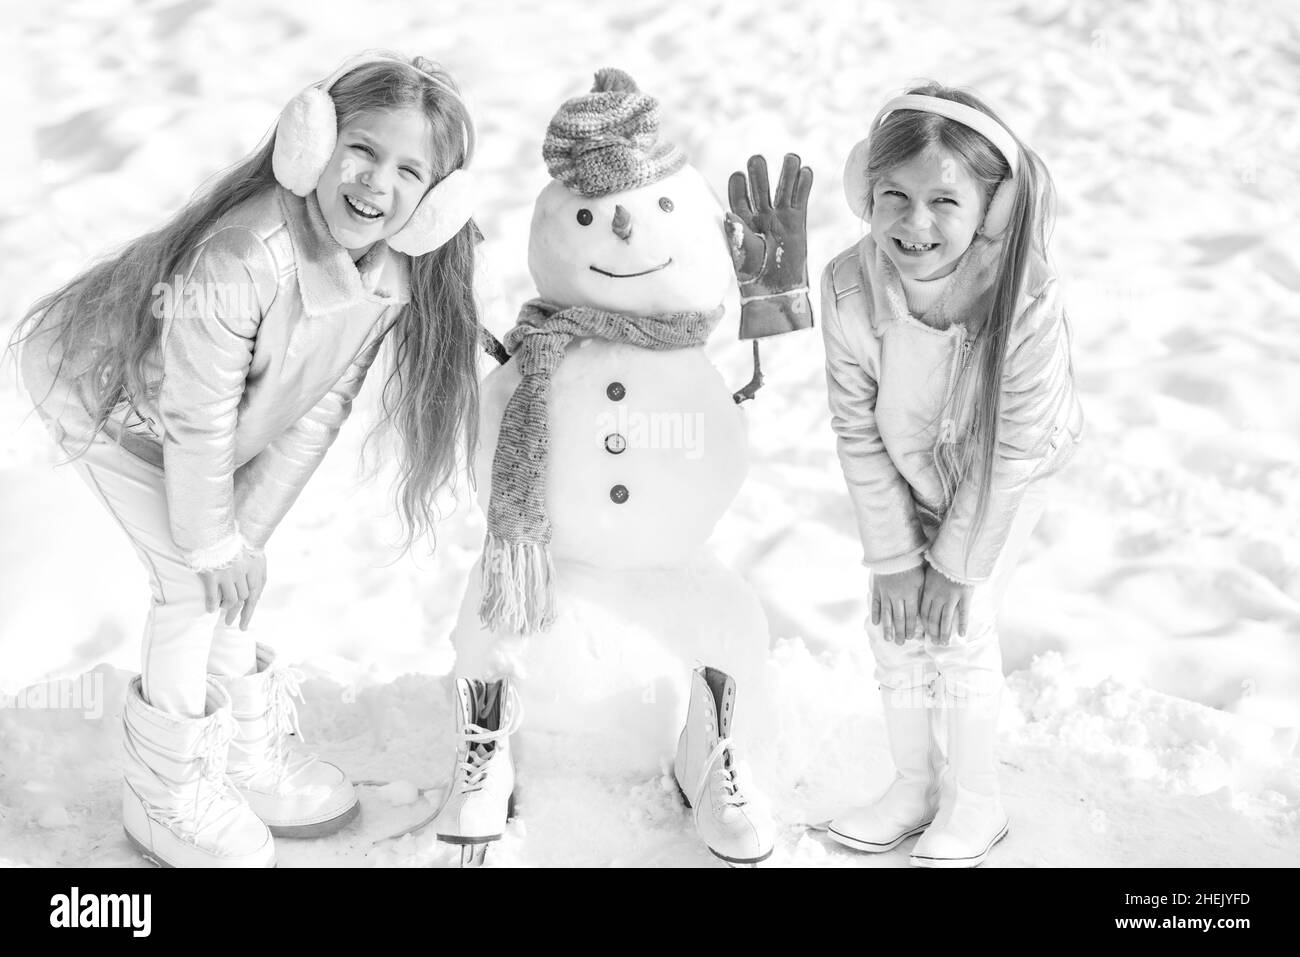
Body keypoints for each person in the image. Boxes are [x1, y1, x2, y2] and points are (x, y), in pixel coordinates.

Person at [11, 51, 481, 867]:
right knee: (191, 580)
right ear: (314, 143)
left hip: (196, 415)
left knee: (226, 564)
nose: (377, 183)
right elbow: (197, 417)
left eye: (411, 171)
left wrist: (243, 535)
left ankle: (238, 753)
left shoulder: (387, 278)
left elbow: (315, 409)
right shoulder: (244, 257)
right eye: (363, 150)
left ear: (436, 203)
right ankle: (164, 793)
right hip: (104, 391)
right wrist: (213, 543)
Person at [820, 82, 1084, 867]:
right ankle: (912, 787)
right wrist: (898, 560)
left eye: (944, 199)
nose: (915, 222)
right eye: (892, 195)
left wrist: (954, 564)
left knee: (959, 624)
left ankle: (978, 804)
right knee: (894, 620)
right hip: (906, 460)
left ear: (993, 210)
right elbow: (856, 432)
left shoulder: (1025, 297)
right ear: (864, 193)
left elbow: (1009, 450)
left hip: (1010, 468)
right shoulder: (847, 288)